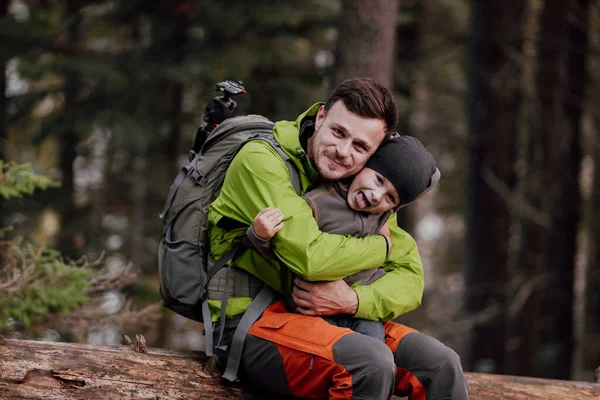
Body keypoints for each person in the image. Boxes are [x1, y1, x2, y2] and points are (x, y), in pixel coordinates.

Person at [207, 77, 468, 399]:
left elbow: (411, 280)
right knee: (369, 363)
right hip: (254, 321)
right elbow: (311, 258)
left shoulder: (367, 187)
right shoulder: (261, 162)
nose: (343, 152)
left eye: (360, 147)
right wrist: (380, 246)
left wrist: (353, 300)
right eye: (338, 132)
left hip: (337, 318)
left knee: (441, 365)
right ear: (320, 117)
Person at [247, 135, 440, 343]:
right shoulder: (318, 203)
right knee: (341, 355)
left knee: (377, 355)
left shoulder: (382, 218)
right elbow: (285, 252)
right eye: (379, 180)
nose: (377, 196)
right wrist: (259, 236)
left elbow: (410, 279)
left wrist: (356, 300)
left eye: (390, 198)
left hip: (360, 314)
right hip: (311, 309)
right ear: (365, 166)